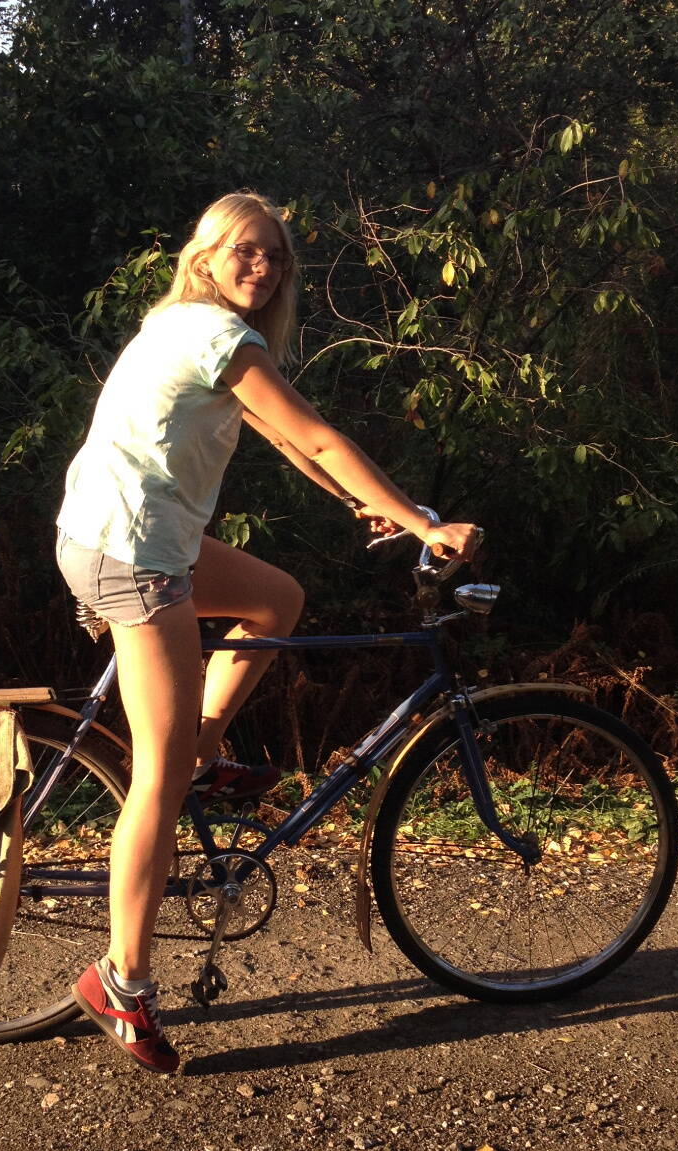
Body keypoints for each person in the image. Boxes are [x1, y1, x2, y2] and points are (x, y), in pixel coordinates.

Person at [55, 191, 482, 1073]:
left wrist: (369, 507)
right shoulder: (215, 334)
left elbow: (289, 443)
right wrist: (422, 523)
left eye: (277, 257)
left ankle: (205, 748)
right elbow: (319, 438)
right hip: (131, 554)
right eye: (246, 251)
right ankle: (121, 982)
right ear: (205, 256)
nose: (263, 267)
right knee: (157, 778)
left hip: (138, 537)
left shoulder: (189, 327)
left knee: (277, 600)